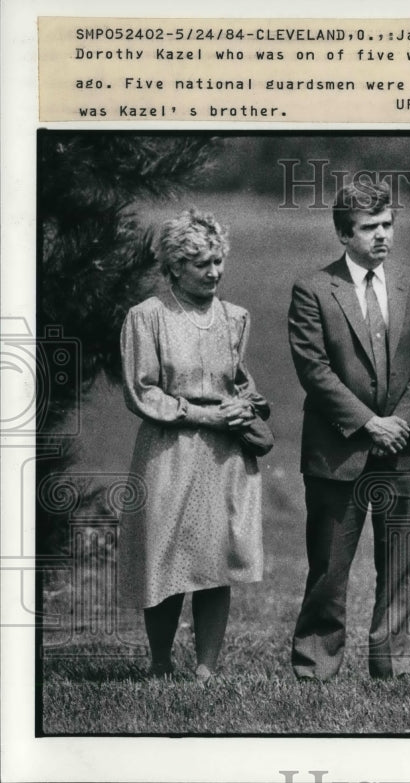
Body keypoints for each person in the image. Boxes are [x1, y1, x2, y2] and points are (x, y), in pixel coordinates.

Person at [288, 179, 410, 680]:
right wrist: (369, 423)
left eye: (388, 224)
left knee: (399, 565)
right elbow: (313, 368)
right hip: (339, 449)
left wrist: (401, 423)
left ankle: (391, 665)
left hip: (404, 449)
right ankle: (315, 665)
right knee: (330, 566)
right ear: (342, 233)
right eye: (370, 227)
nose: (382, 236)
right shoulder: (312, 289)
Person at [118, 208, 267, 682]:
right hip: (169, 450)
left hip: (225, 455)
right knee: (165, 556)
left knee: (217, 559)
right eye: (201, 262)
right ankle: (160, 662)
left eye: (218, 260)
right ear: (175, 267)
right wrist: (205, 414)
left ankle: (206, 669)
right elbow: (143, 392)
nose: (214, 272)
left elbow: (238, 381)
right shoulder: (147, 318)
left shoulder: (236, 317)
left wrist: (249, 405)